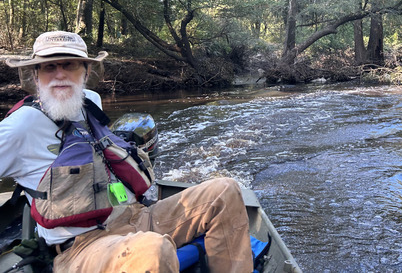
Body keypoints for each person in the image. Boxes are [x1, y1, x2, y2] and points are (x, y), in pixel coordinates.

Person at [1, 31, 253, 272]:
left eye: (70, 65)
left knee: (225, 190)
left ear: (86, 71)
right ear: (35, 75)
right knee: (153, 251)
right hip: (82, 248)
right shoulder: (19, 127)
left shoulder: (90, 101)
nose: (60, 75)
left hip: (136, 217)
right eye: (49, 67)